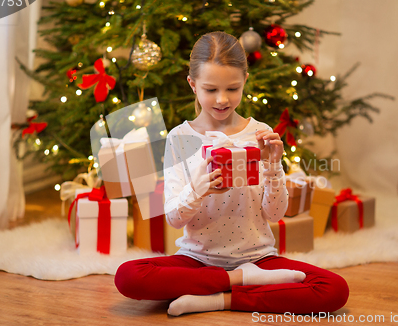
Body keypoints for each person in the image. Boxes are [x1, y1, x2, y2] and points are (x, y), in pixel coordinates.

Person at [115, 31, 349, 316]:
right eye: (210, 89)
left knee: (333, 288)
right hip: (197, 260)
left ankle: (216, 299)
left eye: (233, 89)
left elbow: (275, 214)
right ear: (193, 84)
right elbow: (175, 220)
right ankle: (238, 282)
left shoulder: (260, 134)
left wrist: (274, 167)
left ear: (245, 81)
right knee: (128, 275)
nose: (222, 99)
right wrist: (198, 190)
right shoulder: (180, 138)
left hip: (258, 259)